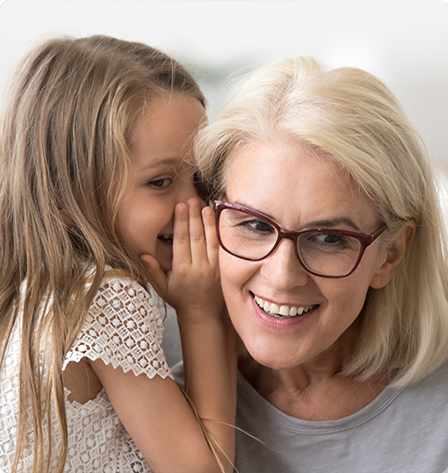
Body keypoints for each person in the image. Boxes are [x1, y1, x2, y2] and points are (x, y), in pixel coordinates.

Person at [193, 56, 448, 472]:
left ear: (391, 254)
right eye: (255, 225)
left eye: (330, 239)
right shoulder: (160, 401)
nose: (282, 276)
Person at [0, 35, 237, 473]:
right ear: (66, 199)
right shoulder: (104, 296)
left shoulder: (30, 291)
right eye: (160, 182)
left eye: (201, 177)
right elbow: (203, 470)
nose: (197, 206)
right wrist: (202, 312)